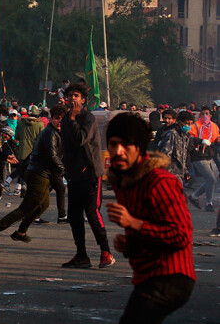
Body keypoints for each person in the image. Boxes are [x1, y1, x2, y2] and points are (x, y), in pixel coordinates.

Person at [105, 113, 195, 324]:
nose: (118, 151)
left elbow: (181, 236)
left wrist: (133, 223)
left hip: (170, 276)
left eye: (126, 145)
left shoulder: (160, 181)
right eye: (113, 144)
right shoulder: (123, 182)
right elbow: (151, 232)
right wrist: (129, 244)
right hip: (146, 276)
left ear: (139, 148)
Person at [0, 105, 66, 244]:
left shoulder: (58, 132)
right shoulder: (50, 132)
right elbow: (52, 155)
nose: (60, 121)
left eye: (62, 119)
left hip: (43, 173)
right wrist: (64, 170)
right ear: (51, 119)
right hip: (38, 173)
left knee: (43, 205)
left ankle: (21, 232)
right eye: (57, 118)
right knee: (25, 208)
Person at [60, 82, 115, 269]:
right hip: (74, 175)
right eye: (70, 95)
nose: (72, 98)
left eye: (76, 95)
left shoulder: (87, 118)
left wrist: (74, 118)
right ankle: (82, 255)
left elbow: (81, 139)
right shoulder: (66, 119)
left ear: (83, 100)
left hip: (91, 174)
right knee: (74, 216)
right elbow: (66, 145)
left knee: (92, 213)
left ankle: (106, 252)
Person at [4, 104, 44, 196]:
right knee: (32, 170)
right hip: (35, 151)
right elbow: (42, 139)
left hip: (22, 151)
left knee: (21, 169)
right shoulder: (40, 124)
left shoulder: (21, 123)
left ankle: (21, 186)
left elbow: (17, 136)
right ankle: (27, 187)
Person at [187, 105, 219, 212]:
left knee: (212, 180)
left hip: (209, 155)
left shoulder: (214, 126)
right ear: (200, 114)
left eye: (207, 113)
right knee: (211, 179)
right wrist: (200, 141)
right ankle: (208, 203)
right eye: (203, 113)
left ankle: (194, 196)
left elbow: (216, 137)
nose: (205, 116)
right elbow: (190, 138)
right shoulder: (195, 125)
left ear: (210, 115)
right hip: (198, 156)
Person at [158, 110, 194, 183]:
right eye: (187, 123)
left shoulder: (185, 136)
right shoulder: (172, 134)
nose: (189, 126)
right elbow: (165, 154)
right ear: (180, 122)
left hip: (179, 174)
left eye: (190, 124)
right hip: (170, 173)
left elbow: (183, 156)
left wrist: (185, 171)